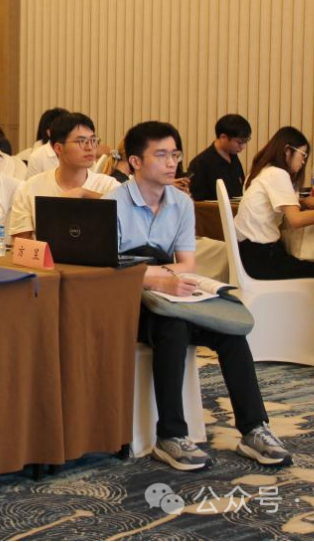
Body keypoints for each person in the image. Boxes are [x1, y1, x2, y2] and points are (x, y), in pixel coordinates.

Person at [106, 120, 290, 471]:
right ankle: (171, 435)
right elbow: (108, 270)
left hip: (170, 294)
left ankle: (254, 429)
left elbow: (187, 263)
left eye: (175, 154)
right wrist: (159, 280)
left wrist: (164, 278)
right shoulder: (112, 203)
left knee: (229, 331)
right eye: (161, 155)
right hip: (128, 302)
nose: (171, 162)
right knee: (172, 328)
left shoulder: (181, 203)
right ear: (135, 162)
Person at [234, 127, 314, 330]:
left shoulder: (263, 170)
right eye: (303, 154)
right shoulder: (278, 174)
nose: (304, 161)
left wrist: (305, 201)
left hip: (249, 253)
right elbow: (296, 220)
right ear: (287, 150)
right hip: (263, 260)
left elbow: (280, 203)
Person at [9, 113, 120, 239]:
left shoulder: (109, 185)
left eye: (93, 140)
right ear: (59, 148)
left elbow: (130, 216)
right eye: (81, 141)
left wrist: (84, 193)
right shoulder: (29, 188)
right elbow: (20, 244)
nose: (89, 147)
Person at [187, 114, 252, 201]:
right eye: (239, 142)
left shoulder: (233, 157)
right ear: (223, 137)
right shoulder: (200, 163)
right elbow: (196, 201)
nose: (243, 147)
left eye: (245, 142)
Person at [25, 109, 71, 177]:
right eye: (64, 130)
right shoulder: (37, 157)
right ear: (49, 132)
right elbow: (31, 183)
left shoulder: (77, 152)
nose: (69, 134)